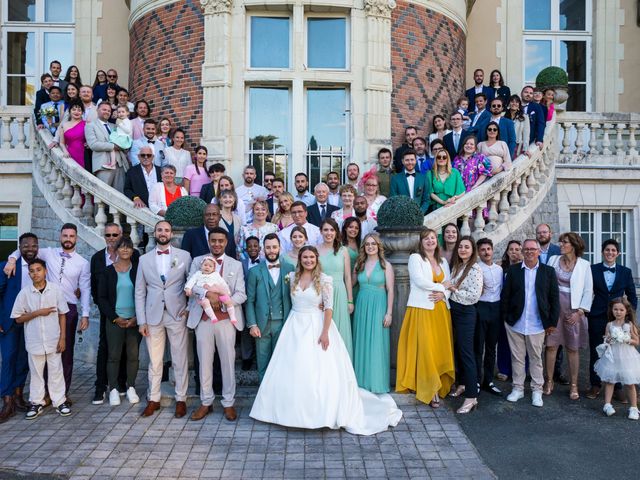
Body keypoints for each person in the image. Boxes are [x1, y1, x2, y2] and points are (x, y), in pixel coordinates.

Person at [250, 246, 402, 434]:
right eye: (305, 257)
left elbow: (328, 308)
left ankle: (320, 413)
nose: (308, 260)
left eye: (311, 257)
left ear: (316, 259)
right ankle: (287, 411)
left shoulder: (324, 279)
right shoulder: (292, 278)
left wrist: (324, 333)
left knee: (318, 370)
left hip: (316, 325)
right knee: (292, 367)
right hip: (294, 325)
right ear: (300, 259)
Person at [186, 227, 245, 422]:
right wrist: (207, 294)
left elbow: (241, 294)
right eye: (214, 241)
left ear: (226, 242)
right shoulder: (197, 261)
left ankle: (228, 403)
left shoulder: (235, 265)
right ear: (209, 241)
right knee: (204, 362)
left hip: (227, 320)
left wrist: (222, 298)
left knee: (228, 362)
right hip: (203, 319)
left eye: (221, 241)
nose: (217, 244)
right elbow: (190, 284)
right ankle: (206, 402)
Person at [135, 221, 191, 418]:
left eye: (166, 230)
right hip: (153, 316)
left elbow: (191, 284)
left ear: (172, 233)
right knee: (155, 360)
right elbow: (140, 292)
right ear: (154, 233)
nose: (163, 233)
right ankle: (154, 398)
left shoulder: (184, 256)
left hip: (177, 314)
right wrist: (142, 321)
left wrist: (189, 309)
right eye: (159, 230)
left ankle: (181, 399)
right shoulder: (144, 260)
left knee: (179, 359)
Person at [396, 228, 454, 408]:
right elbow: (419, 280)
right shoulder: (416, 258)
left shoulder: (443, 261)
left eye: (432, 238)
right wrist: (441, 288)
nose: (430, 241)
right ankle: (431, 390)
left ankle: (438, 384)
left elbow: (449, 284)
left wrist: (444, 293)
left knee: (437, 350)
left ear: (437, 241)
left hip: (441, 311)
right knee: (426, 350)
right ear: (420, 242)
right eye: (426, 238)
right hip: (422, 309)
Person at [501, 239, 560, 408]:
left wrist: (551, 322)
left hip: (537, 324)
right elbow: (506, 296)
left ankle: (537, 390)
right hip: (515, 323)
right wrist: (506, 318)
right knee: (517, 357)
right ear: (522, 252)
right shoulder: (513, 271)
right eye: (526, 249)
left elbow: (554, 299)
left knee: (535, 358)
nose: (529, 252)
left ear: (538, 252)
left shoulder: (548, 272)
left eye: (532, 249)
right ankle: (518, 389)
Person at [11, 259, 71, 419]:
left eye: (38, 269)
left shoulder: (55, 290)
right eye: (32, 271)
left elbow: (63, 314)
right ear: (29, 273)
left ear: (45, 271)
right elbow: (17, 318)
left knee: (56, 371)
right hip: (34, 340)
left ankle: (60, 401)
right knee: (36, 373)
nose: (35, 273)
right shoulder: (24, 293)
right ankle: (36, 402)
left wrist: (63, 338)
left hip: (53, 339)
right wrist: (37, 312)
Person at [545, 233, 593, 400]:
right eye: (561, 241)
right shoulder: (553, 260)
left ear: (573, 245)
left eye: (564, 242)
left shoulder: (584, 265)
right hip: (554, 310)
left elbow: (588, 290)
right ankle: (549, 381)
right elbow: (545, 284)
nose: (561, 244)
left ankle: (574, 385)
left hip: (573, 311)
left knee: (572, 349)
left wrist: (579, 313)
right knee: (551, 346)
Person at [587, 239, 637, 400]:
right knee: (597, 349)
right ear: (603, 252)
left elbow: (632, 296)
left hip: (619, 319)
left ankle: (618, 387)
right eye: (607, 250)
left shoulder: (625, 272)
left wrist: (628, 317)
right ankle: (595, 385)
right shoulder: (592, 269)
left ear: (618, 253)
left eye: (613, 250)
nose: (610, 253)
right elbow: (587, 291)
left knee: (618, 352)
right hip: (597, 316)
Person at [96, 237, 142, 406]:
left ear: (132, 251)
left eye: (128, 247)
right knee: (113, 356)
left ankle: (130, 387)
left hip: (134, 320)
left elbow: (144, 294)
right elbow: (102, 298)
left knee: (133, 356)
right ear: (116, 250)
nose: (125, 250)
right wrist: (115, 317)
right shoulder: (107, 272)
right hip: (115, 320)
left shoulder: (138, 270)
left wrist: (138, 317)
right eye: (121, 247)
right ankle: (113, 389)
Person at [90, 225, 132, 404]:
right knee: (105, 348)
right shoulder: (98, 258)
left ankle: (122, 384)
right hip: (107, 312)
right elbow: (94, 288)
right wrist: (109, 312)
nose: (112, 238)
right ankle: (101, 387)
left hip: (129, 311)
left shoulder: (133, 254)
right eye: (108, 235)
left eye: (115, 234)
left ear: (121, 235)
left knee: (125, 349)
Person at [0, 233, 38, 422]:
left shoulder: (37, 268)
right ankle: (7, 401)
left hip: (29, 321)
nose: (30, 249)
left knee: (23, 360)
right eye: (26, 246)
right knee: (8, 360)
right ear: (19, 247)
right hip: (9, 322)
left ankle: (18, 396)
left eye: (33, 246)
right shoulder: (7, 268)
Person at [246, 234, 294, 380]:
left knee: (282, 362)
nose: (271, 250)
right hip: (262, 325)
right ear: (263, 249)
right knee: (263, 363)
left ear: (280, 248)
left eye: (274, 247)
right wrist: (252, 324)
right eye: (268, 247)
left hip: (283, 322)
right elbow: (250, 301)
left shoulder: (289, 268)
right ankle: (263, 400)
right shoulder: (254, 271)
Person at [352, 234, 394, 393]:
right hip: (362, 304)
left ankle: (376, 383)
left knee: (377, 343)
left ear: (378, 246)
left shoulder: (385, 265)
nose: (370, 247)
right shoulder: (359, 264)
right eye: (367, 244)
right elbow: (351, 283)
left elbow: (390, 290)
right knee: (361, 341)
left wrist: (389, 313)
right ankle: (361, 382)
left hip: (379, 305)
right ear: (364, 247)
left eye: (373, 244)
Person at [447, 237, 483, 414]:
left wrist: (454, 290)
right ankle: (463, 384)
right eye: (460, 247)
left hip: (466, 313)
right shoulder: (458, 265)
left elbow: (474, 296)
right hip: (455, 311)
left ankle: (471, 397)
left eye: (466, 247)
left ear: (472, 250)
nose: (462, 249)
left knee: (467, 353)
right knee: (459, 351)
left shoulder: (475, 268)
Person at [594, 298, 640, 420]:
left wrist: (627, 339)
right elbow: (606, 338)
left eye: (621, 310)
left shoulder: (629, 325)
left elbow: (636, 341)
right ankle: (607, 405)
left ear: (627, 311)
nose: (618, 312)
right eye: (615, 309)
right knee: (610, 381)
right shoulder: (609, 324)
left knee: (630, 383)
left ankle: (634, 408)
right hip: (613, 356)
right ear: (612, 310)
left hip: (627, 356)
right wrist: (608, 340)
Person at [318, 219, 355, 361]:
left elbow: (347, 277)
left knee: (340, 332)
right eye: (326, 230)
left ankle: (343, 368)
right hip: (323, 294)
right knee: (324, 330)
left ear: (336, 232)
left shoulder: (343, 250)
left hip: (339, 293)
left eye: (332, 230)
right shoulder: (315, 249)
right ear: (321, 231)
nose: (329, 233)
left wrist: (350, 300)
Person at [475, 238, 503, 395]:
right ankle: (477, 381)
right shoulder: (476, 268)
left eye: (488, 249)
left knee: (492, 347)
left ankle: (489, 381)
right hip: (481, 307)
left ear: (492, 250)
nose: (486, 252)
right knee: (478, 347)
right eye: (483, 249)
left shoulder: (499, 269)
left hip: (496, 309)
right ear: (478, 252)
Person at [85, 102, 128, 191]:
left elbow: (123, 140)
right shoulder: (90, 126)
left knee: (120, 195)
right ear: (97, 110)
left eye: (109, 111)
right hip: (103, 165)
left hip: (120, 164)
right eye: (104, 109)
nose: (107, 112)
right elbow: (93, 144)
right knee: (102, 196)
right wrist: (113, 146)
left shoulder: (114, 126)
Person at [496, 239, 523, 381]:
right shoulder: (501, 269)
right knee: (504, 340)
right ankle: (504, 369)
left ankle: (520, 370)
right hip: (504, 308)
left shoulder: (525, 268)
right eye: (511, 249)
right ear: (507, 252)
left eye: (517, 249)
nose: (514, 252)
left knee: (521, 341)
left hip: (520, 309)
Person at [184, 256, 237, 324]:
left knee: (228, 301)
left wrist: (227, 292)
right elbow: (191, 281)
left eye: (210, 266)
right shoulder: (198, 274)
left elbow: (223, 283)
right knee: (205, 303)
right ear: (201, 266)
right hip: (204, 296)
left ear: (214, 269)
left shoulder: (216, 275)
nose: (207, 267)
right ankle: (213, 317)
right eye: (205, 265)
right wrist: (188, 288)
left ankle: (232, 316)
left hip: (218, 293)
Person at [390, 150, 431, 214]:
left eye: (412, 159)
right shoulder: (395, 179)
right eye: (407, 160)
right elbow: (393, 199)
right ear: (402, 161)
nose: (410, 162)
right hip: (402, 215)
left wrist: (420, 212)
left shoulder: (424, 178)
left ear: (416, 160)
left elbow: (426, 200)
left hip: (419, 215)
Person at [57, 99, 87, 168]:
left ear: (82, 112)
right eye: (74, 109)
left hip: (84, 153)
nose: (76, 112)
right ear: (69, 111)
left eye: (79, 110)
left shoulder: (86, 124)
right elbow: (62, 143)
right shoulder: (64, 125)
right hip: (69, 153)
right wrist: (65, 151)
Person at [103, 105, 133, 170]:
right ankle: (113, 163)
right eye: (119, 112)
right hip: (120, 137)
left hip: (124, 139)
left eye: (123, 112)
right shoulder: (120, 120)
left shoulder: (127, 121)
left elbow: (128, 130)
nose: (121, 113)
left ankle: (112, 163)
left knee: (112, 147)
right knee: (112, 148)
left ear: (127, 113)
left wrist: (120, 124)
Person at [218, 189, 243, 259]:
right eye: (225, 197)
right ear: (220, 200)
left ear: (234, 200)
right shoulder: (216, 216)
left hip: (235, 255)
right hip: (220, 253)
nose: (227, 199)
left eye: (230, 197)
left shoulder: (238, 219)